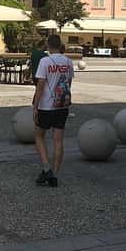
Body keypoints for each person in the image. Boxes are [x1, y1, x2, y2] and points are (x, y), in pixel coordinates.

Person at [33, 33, 74, 188]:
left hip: (46, 105)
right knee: (58, 140)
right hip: (62, 105)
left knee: (39, 136)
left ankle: (46, 167)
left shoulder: (45, 61)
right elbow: (68, 83)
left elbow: (40, 85)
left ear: (48, 45)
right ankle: (55, 174)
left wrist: (35, 106)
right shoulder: (68, 62)